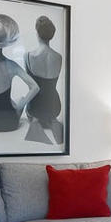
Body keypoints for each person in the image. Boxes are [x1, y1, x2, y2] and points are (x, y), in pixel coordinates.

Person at [24, 15, 65, 146]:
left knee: (31, 108)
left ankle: (36, 120)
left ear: (37, 33)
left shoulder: (29, 56)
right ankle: (51, 120)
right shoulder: (58, 57)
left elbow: (31, 86)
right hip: (55, 107)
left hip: (35, 107)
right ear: (51, 35)